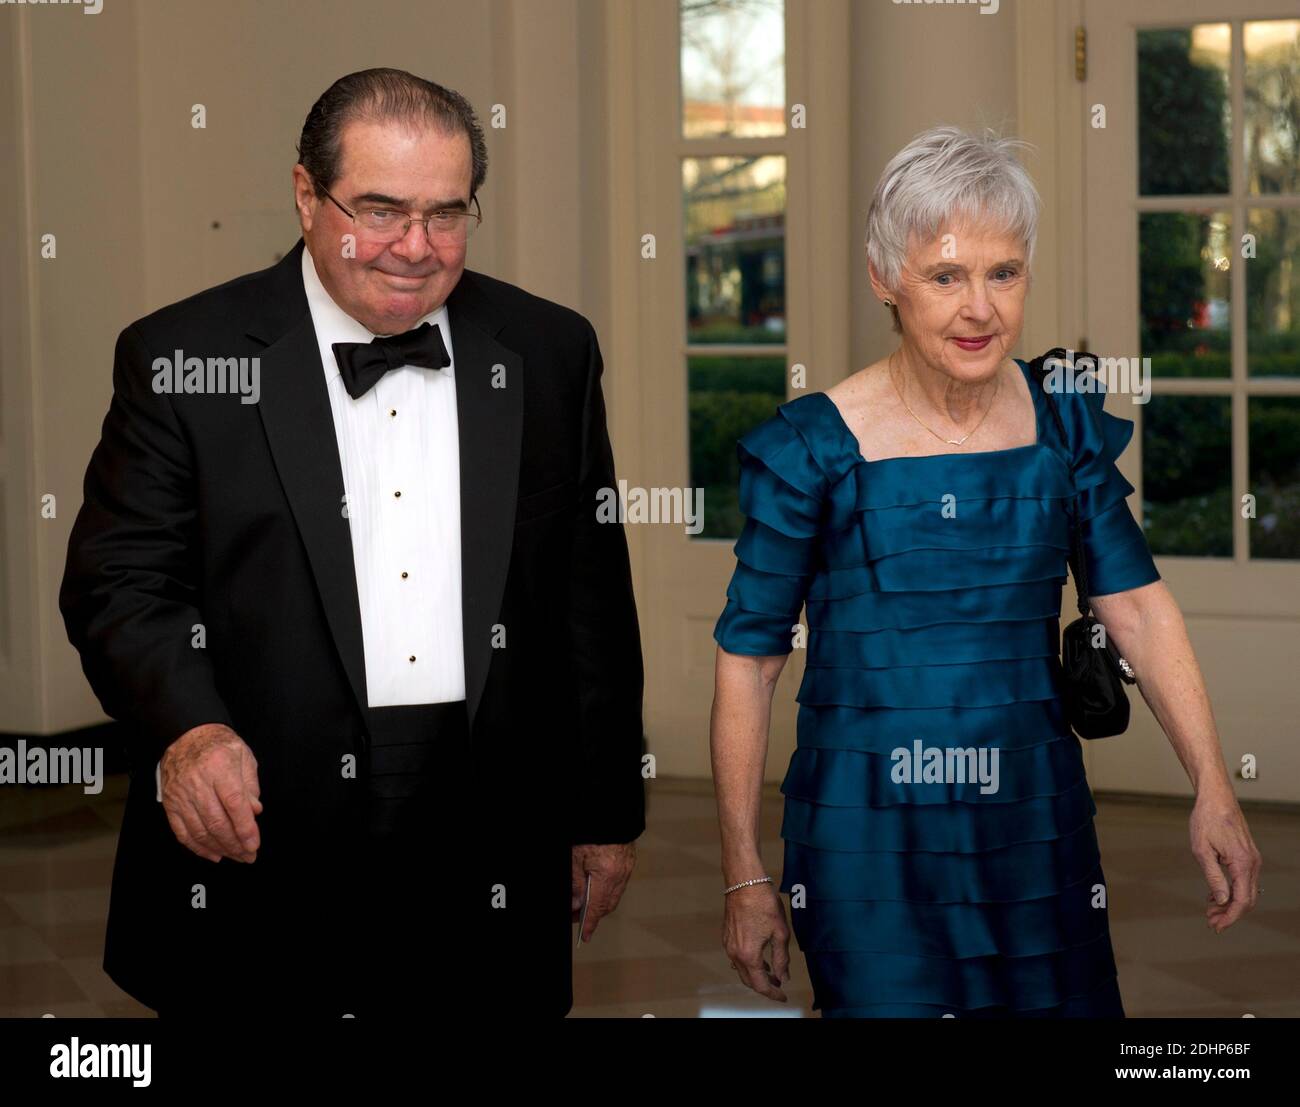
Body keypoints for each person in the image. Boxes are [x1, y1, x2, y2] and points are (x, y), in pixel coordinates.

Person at [59, 67, 645, 1017]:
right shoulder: (180, 358)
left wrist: (606, 812)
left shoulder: (549, 350)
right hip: (264, 812)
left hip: (490, 810)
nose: (415, 249)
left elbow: (589, 596)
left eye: (447, 214)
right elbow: (119, 582)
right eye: (379, 210)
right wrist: (189, 730)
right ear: (305, 194)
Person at [709, 125, 1261, 1018]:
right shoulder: (811, 446)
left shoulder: (1063, 424)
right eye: (946, 276)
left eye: (1003, 273)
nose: (980, 309)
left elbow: (1140, 611)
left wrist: (1213, 786)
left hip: (1035, 824)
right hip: (868, 840)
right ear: (884, 277)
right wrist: (744, 875)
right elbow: (751, 660)